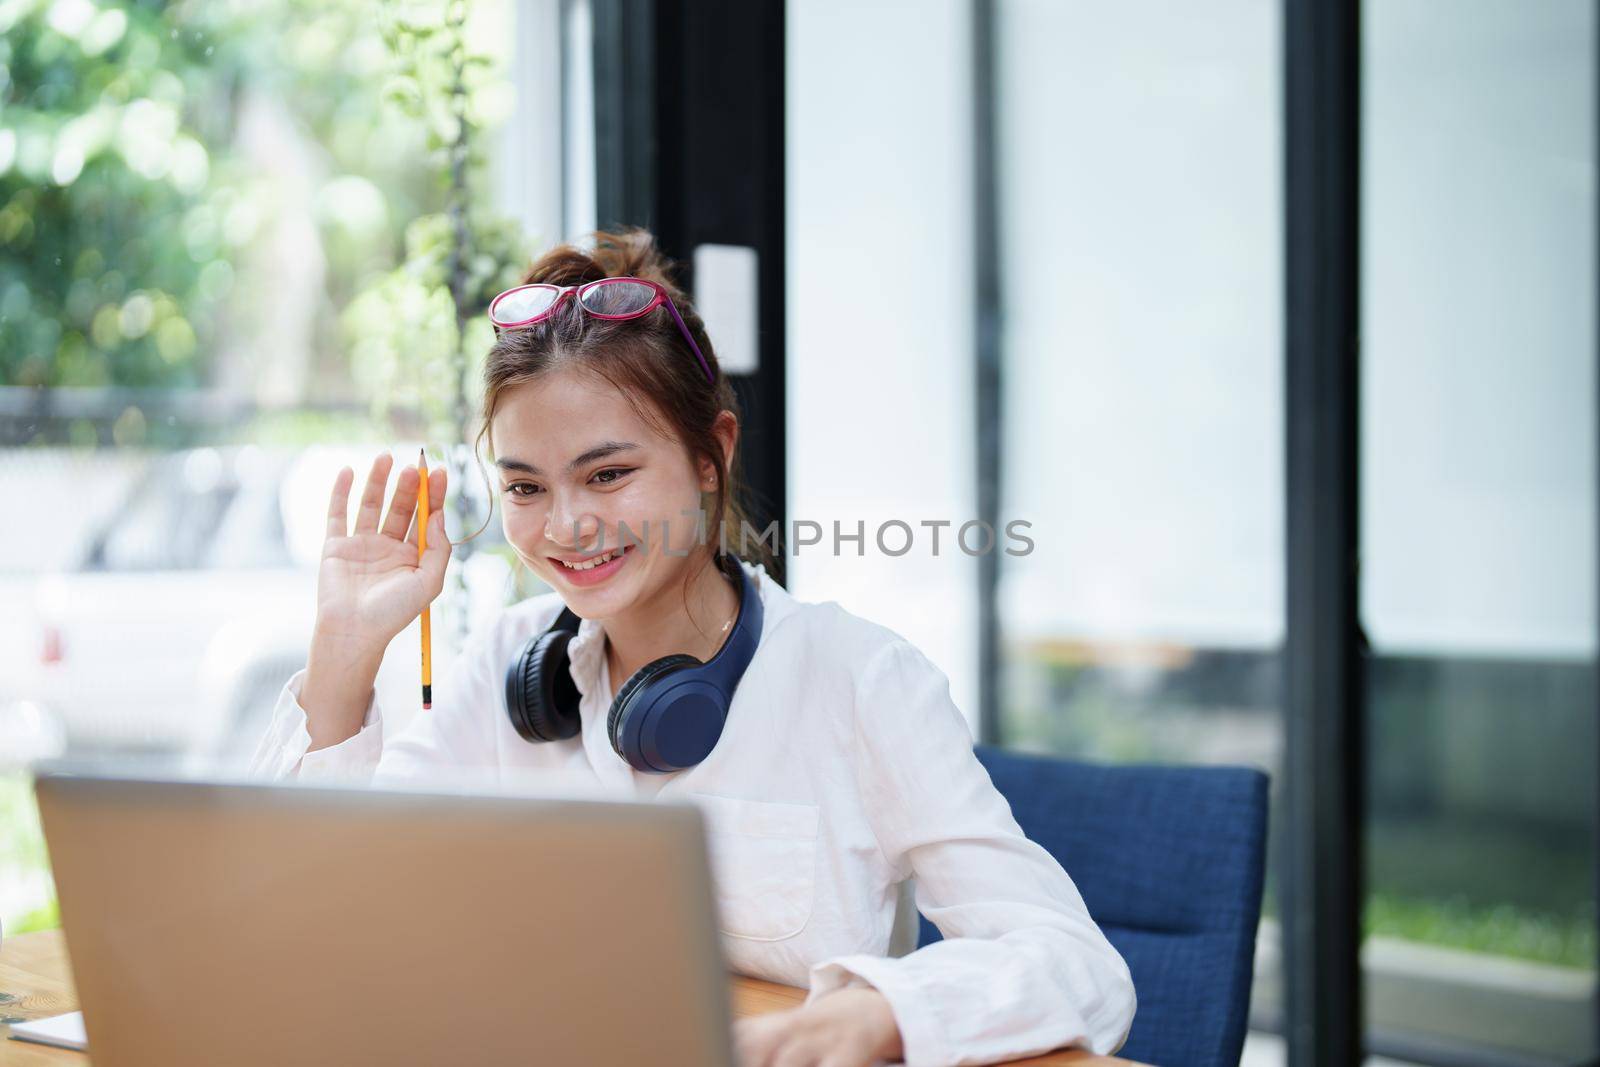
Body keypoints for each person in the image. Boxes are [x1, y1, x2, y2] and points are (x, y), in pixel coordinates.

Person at [249, 227, 1136, 1067]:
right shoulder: (512, 664)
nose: (567, 524)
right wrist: (345, 650)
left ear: (711, 456)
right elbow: (324, 911)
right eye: (526, 485)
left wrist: (880, 1009)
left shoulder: (861, 679)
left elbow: (1078, 965)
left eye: (608, 473)